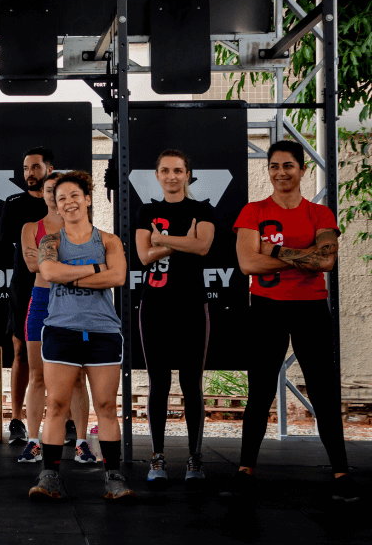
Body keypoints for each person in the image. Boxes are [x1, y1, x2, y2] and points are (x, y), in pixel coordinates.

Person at [228, 140, 357, 503]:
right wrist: (302, 256)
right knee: (260, 391)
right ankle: (245, 469)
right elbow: (248, 264)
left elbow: (326, 261)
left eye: (288, 165)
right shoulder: (253, 211)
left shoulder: (320, 214)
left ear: (302, 169)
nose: (280, 172)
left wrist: (272, 250)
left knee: (323, 391)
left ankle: (341, 471)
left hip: (311, 309)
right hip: (266, 308)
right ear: (268, 170)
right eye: (274, 166)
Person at [29, 171, 135, 502]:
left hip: (103, 331)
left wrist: (70, 276)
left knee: (105, 406)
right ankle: (49, 477)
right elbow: (49, 271)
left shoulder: (109, 241)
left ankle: (113, 477)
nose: (68, 202)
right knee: (56, 404)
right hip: (62, 330)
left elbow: (118, 277)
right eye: (61, 198)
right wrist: (95, 270)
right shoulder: (51, 241)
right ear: (56, 206)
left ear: (87, 199)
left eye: (74, 195)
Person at [134, 150, 216, 487]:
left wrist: (162, 239)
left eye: (178, 170)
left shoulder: (203, 209)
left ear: (188, 175)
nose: (172, 176)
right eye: (165, 170)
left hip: (192, 307)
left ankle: (195, 458)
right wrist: (183, 241)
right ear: (157, 175)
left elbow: (203, 247)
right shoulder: (146, 211)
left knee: (191, 384)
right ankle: (157, 457)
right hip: (155, 308)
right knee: (159, 384)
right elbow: (143, 255)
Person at [20, 172, 94, 466]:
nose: (53, 195)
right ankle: (33, 441)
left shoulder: (82, 228)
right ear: (43, 193)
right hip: (41, 301)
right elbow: (31, 266)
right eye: (49, 190)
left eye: (59, 190)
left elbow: (86, 264)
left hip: (74, 302)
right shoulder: (31, 227)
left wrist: (49, 262)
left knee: (77, 376)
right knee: (37, 375)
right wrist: (68, 263)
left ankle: (82, 443)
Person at [0, 146, 54, 445]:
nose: (29, 173)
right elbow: (6, 236)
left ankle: (66, 420)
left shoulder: (63, 202)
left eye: (35, 167)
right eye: (25, 168)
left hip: (59, 287)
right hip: (24, 285)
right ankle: (17, 420)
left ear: (48, 168)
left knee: (62, 353)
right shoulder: (15, 203)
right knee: (19, 351)